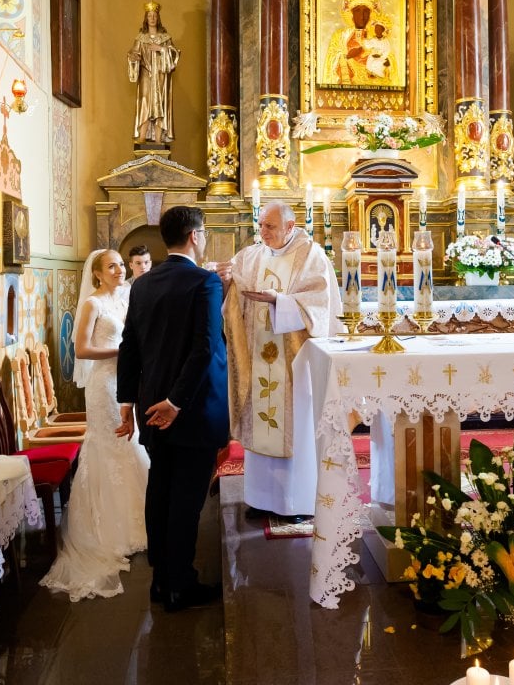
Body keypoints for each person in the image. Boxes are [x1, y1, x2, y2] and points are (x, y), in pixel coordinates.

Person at [116, 206, 228, 612]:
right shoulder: (204, 282)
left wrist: (127, 402)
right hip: (191, 407)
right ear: (195, 236)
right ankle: (181, 584)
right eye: (204, 232)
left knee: (160, 489)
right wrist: (177, 402)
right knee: (186, 499)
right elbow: (205, 347)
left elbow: (129, 346)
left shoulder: (143, 284)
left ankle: (161, 580)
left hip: (150, 406)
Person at [222, 201, 342, 519]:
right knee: (260, 427)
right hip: (257, 356)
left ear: (290, 226)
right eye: (261, 225)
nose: (263, 232)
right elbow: (232, 296)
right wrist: (224, 280)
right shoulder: (250, 256)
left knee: (294, 428)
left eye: (270, 226)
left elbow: (320, 304)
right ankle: (261, 499)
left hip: (295, 364)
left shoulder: (311, 255)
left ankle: (295, 502)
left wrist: (281, 302)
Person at [40, 249, 149, 601]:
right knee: (110, 445)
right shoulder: (93, 304)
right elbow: (83, 350)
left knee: (131, 445)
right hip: (104, 384)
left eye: (120, 265)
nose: (119, 270)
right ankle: (111, 530)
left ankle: (141, 520)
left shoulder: (126, 297)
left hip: (127, 380)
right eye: (111, 266)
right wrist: (120, 352)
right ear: (98, 274)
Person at [126, 1, 180, 143]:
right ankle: (142, 136)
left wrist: (161, 49)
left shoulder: (165, 38)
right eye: (149, 16)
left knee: (160, 103)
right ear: (146, 18)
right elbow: (133, 53)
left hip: (161, 75)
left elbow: (174, 54)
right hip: (146, 74)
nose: (152, 18)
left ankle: (158, 139)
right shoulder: (140, 38)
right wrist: (133, 57)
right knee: (145, 101)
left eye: (154, 15)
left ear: (158, 18)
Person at [323, 0, 382, 86]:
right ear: (352, 14)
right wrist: (347, 56)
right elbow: (331, 61)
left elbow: (388, 60)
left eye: (366, 11)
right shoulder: (340, 36)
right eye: (358, 11)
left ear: (370, 14)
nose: (362, 16)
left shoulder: (377, 37)